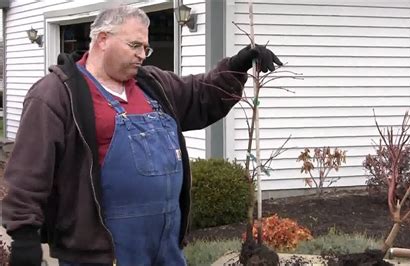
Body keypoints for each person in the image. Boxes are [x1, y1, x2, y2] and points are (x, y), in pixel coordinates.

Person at [1, 5, 282, 266]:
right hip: (99, 253)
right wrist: (24, 234)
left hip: (165, 249)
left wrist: (238, 64)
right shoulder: (57, 94)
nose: (141, 54)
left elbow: (201, 94)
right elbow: (29, 170)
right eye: (134, 45)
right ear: (102, 40)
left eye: (144, 48)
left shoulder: (152, 84)